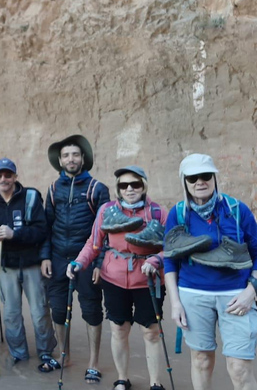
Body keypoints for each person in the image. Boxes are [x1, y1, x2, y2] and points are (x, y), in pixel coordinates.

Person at [163, 154, 257, 390]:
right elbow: (170, 260)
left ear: (214, 178)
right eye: (193, 178)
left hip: (237, 296)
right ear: (184, 182)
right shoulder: (178, 214)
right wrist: (175, 302)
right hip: (193, 294)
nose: (200, 182)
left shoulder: (236, 210)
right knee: (201, 360)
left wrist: (251, 291)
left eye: (205, 176)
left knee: (239, 367)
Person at [69, 166, 168, 390]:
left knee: (150, 332)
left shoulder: (158, 212)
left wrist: (156, 260)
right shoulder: (106, 210)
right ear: (118, 189)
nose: (130, 189)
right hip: (114, 278)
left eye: (135, 184)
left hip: (148, 279)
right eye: (124, 185)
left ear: (144, 186)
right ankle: (122, 379)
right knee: (118, 328)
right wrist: (79, 262)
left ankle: (155, 383)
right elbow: (93, 244)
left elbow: (171, 248)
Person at [41, 134, 110, 384]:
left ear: (83, 159)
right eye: (66, 155)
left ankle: (93, 363)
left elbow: (106, 231)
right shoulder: (52, 189)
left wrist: (100, 262)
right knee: (58, 309)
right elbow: (46, 226)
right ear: (60, 160)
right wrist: (45, 257)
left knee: (91, 309)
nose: (71, 159)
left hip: (88, 258)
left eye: (75, 155)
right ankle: (64, 355)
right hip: (58, 257)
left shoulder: (97, 189)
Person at [0, 158, 57, 370]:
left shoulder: (30, 198)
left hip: (31, 264)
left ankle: (46, 352)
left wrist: (15, 234)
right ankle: (19, 353)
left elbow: (42, 230)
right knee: (11, 314)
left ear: (15, 176)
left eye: (8, 175)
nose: (4, 179)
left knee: (40, 312)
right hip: (5, 267)